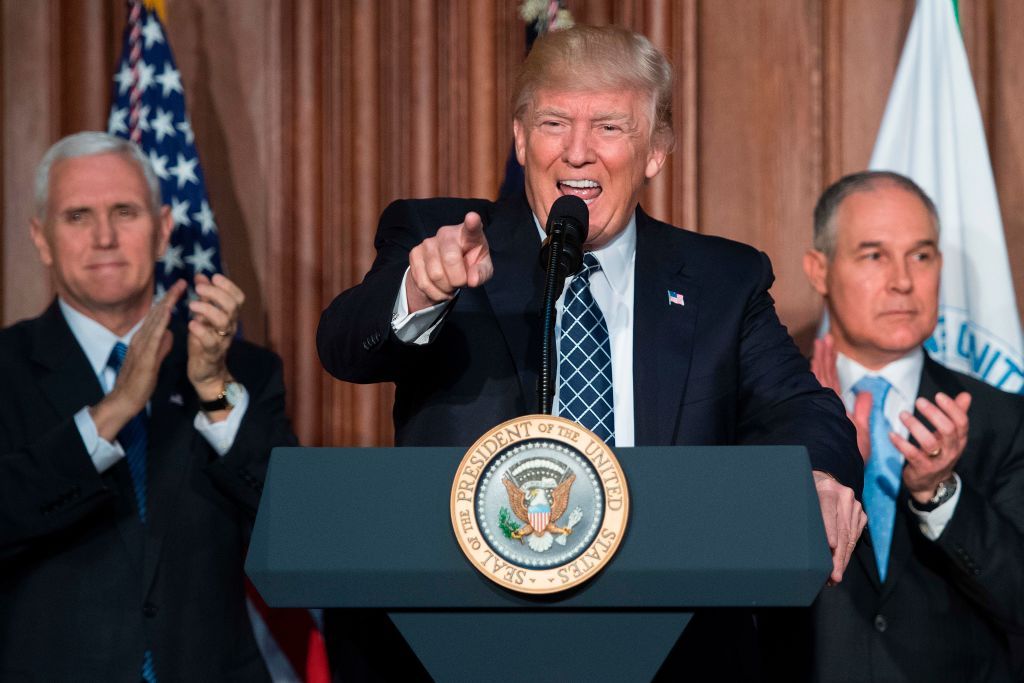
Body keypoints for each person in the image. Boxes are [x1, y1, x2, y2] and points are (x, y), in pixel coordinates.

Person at [317, 25, 865, 679]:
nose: (577, 153)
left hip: (673, 646)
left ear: (656, 150)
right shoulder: (445, 240)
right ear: (520, 139)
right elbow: (343, 347)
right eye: (553, 122)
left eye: (609, 127)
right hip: (466, 641)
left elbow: (806, 412)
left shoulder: (723, 280)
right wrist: (418, 287)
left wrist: (816, 476)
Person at [0, 132, 296, 681]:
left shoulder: (243, 371)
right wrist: (112, 412)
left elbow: (294, 528)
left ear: (162, 230)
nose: (105, 237)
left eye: (124, 212)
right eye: (78, 217)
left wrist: (214, 392)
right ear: (41, 239)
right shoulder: (7, 368)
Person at [798, 171, 1024, 681]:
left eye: (921, 256)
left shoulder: (1001, 419)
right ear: (820, 270)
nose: (903, 280)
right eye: (874, 255)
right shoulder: (767, 408)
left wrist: (939, 493)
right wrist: (821, 462)